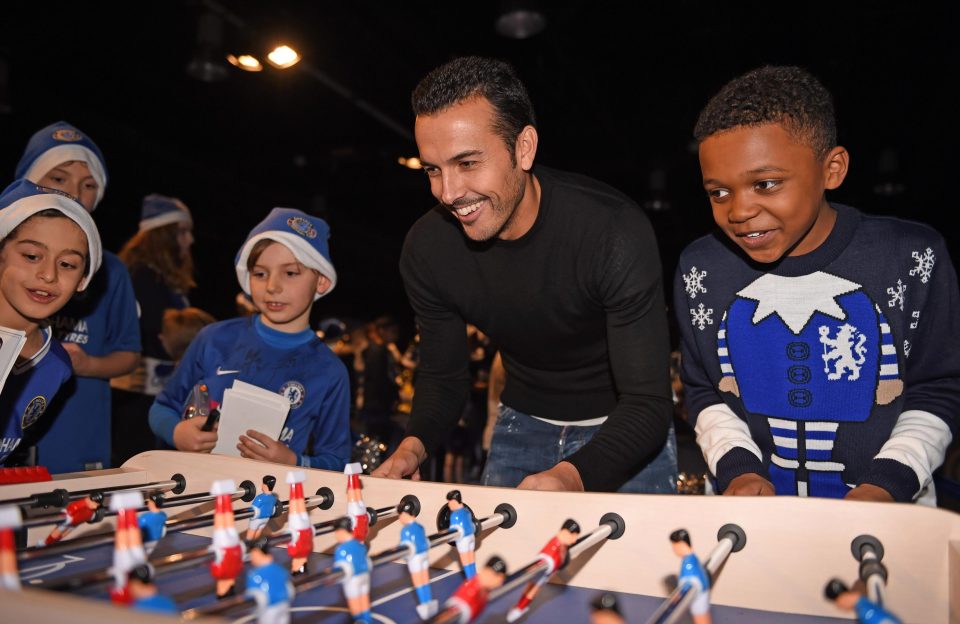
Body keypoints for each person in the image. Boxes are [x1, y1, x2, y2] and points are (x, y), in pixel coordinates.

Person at [373, 56, 676, 493]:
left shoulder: (611, 230)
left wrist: (573, 475)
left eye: (468, 163)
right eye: (433, 170)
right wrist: (412, 448)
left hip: (624, 431)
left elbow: (648, 402)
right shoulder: (428, 249)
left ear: (524, 148)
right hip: (521, 425)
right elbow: (443, 376)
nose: (448, 192)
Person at [674, 65, 960, 503]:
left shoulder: (912, 256)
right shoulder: (702, 268)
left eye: (765, 184)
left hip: (891, 516)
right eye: (719, 192)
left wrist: (888, 484)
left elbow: (937, 387)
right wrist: (739, 471)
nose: (738, 210)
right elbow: (705, 388)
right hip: (751, 523)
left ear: (832, 169)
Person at [148, 208, 351, 470]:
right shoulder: (215, 338)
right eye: (260, 273)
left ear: (321, 281)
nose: (272, 286)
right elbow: (161, 407)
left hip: (273, 502)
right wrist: (177, 433)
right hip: (198, 487)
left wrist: (294, 461)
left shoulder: (329, 371)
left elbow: (336, 460)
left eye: (290, 273)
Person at [14, 121, 140, 473]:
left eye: (88, 185)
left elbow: (130, 354)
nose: (73, 192)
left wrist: (88, 365)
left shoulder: (112, 271)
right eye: (58, 178)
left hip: (77, 441)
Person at [0, 180, 102, 466]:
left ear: (83, 279)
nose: (48, 274)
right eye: (32, 256)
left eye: (67, 264)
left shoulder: (56, 365)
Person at [112, 194, 195, 465]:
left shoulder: (164, 279)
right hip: (135, 401)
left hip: (157, 398)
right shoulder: (140, 276)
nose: (189, 240)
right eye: (182, 232)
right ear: (163, 235)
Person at [506, 518, 581, 621]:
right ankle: (519, 608)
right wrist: (545, 564)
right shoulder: (555, 543)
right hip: (542, 569)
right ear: (565, 532)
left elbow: (559, 558)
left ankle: (520, 607)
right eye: (573, 536)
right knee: (531, 588)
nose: (574, 540)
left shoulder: (562, 547)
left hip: (546, 572)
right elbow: (546, 555)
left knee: (533, 589)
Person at [396, 498, 437, 619]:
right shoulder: (420, 527)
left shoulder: (406, 530)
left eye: (401, 515)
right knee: (425, 579)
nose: (400, 518)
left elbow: (404, 547)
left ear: (405, 514)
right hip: (424, 556)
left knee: (418, 581)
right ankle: (429, 601)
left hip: (415, 559)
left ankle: (424, 604)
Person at [442, 554, 507, 624]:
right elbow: (446, 617)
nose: (500, 583)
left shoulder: (484, 591)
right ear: (487, 572)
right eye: (498, 577)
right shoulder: (469, 595)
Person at [331, 515, 373, 623]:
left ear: (341, 531)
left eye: (336, 532)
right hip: (364, 576)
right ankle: (367, 620)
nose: (336, 535)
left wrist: (332, 575)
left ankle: (359, 620)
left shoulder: (341, 550)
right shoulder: (360, 545)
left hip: (353, 579)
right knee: (364, 600)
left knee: (354, 603)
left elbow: (340, 568)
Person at [245, 537, 295, 624]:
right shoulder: (279, 569)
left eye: (253, 555)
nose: (252, 558)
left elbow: (254, 594)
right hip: (283, 603)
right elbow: (288, 585)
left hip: (269, 608)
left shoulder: (255, 575)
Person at [670, 529, 711, 624]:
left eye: (675, 547)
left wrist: (680, 594)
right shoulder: (692, 558)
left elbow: (690, 581)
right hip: (702, 592)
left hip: (699, 594)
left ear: (682, 545)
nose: (674, 550)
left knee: (700, 617)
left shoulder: (689, 564)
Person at [824, 579, 902, 623]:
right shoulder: (866, 605)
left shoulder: (867, 613)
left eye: (837, 603)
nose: (839, 607)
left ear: (842, 598)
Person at [245, 475, 279, 541]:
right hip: (266, 519)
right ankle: (254, 544)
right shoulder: (273, 498)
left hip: (257, 519)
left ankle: (248, 544)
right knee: (258, 531)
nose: (261, 485)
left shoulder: (260, 498)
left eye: (263, 484)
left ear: (265, 486)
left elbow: (253, 508)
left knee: (251, 532)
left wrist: (248, 512)